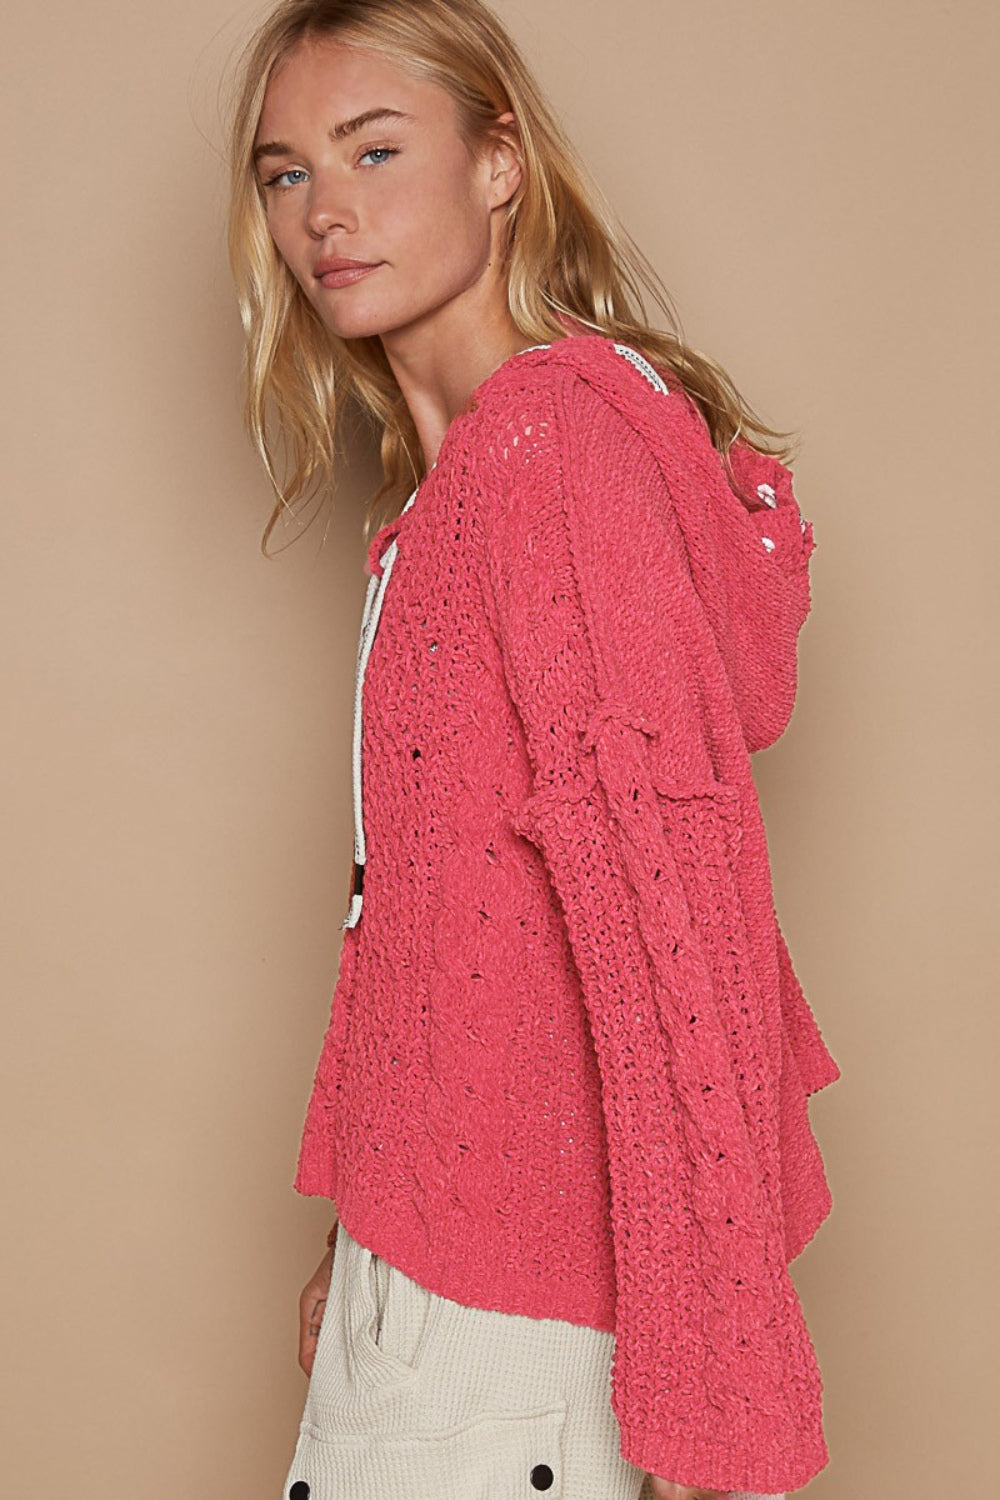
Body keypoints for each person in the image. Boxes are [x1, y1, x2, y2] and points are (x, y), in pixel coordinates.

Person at [223, 3, 841, 1498]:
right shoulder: (441, 506)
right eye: (287, 172)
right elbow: (442, 929)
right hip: (424, 1275)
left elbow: (670, 911)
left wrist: (716, 1380)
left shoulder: (549, 456)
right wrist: (365, 1234)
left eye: (375, 150)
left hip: (507, 1332)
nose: (326, 212)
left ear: (500, 163)